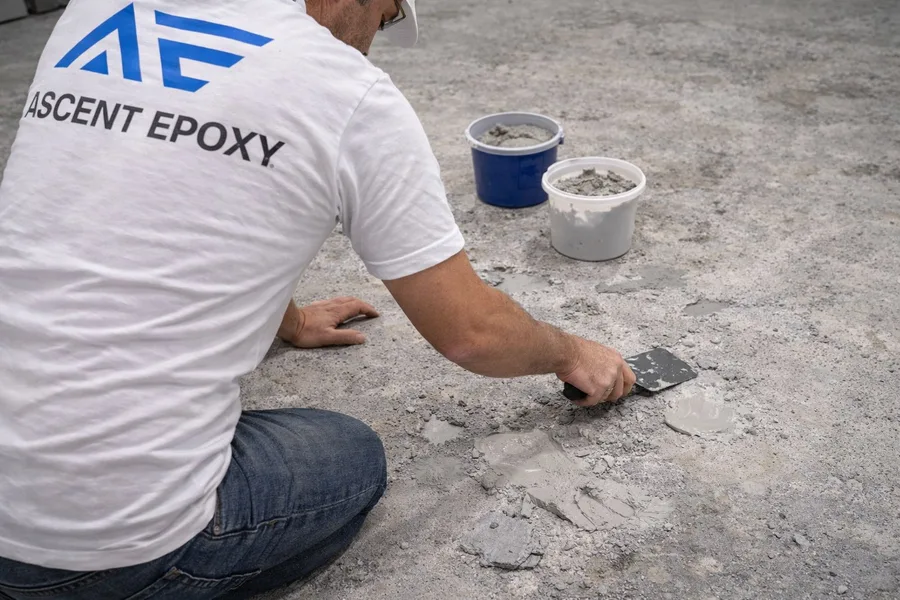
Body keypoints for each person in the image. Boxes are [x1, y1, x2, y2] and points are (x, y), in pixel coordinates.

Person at [0, 0, 636, 597]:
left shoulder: (97, 12)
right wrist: (568, 352)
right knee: (348, 454)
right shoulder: (343, 90)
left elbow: (176, 208)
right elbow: (470, 332)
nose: (370, 47)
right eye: (383, 21)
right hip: (97, 556)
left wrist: (292, 319)